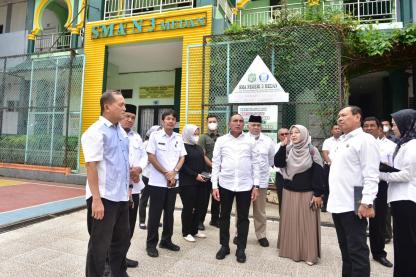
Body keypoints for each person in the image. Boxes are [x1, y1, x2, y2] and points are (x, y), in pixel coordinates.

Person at [82, 90, 131, 277]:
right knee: (99, 245)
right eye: (121, 104)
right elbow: (91, 166)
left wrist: (127, 190)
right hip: (103, 198)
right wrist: (96, 199)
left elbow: (122, 164)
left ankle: (118, 273)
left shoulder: (120, 131)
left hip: (120, 196)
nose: (124, 108)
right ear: (107, 106)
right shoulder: (95, 132)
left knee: (122, 240)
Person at [327, 106, 379, 277]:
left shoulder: (365, 140)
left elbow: (371, 174)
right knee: (346, 251)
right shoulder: (342, 140)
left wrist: (366, 202)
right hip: (338, 203)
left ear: (357, 117)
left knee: (357, 251)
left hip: (354, 204)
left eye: (344, 115)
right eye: (338, 116)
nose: (339, 119)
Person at [211, 113, 260, 263]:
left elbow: (255, 164)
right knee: (224, 216)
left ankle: (241, 248)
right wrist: (214, 185)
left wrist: (256, 186)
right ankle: (224, 246)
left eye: (240, 121)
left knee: (243, 218)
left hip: (245, 185)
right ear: (229, 123)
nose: (238, 123)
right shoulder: (221, 140)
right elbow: (216, 163)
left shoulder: (250, 141)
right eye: (235, 121)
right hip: (225, 184)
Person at [274, 124, 324, 266]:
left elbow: (319, 174)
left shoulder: (312, 151)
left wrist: (318, 194)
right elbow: (278, 163)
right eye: (292, 132)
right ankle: (289, 250)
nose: (294, 135)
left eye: (297, 132)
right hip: (289, 192)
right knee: (290, 222)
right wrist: (283, 146)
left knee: (306, 225)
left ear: (304, 134)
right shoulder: (288, 149)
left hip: (307, 194)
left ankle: (309, 254)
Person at [379, 109, 416, 277]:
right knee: (401, 242)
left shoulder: (413, 146)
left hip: (407, 200)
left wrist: (381, 174)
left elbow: (407, 174)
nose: (392, 128)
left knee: (407, 242)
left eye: (394, 125)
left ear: (405, 124)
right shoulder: (405, 143)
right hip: (399, 199)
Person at [145, 109, 187, 258]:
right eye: (168, 118)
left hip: (173, 182)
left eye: (173, 119)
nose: (171, 121)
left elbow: (182, 157)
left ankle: (166, 240)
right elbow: (151, 156)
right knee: (155, 215)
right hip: (157, 182)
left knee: (169, 214)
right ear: (163, 121)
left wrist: (174, 172)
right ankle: (151, 244)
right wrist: (166, 173)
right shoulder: (155, 136)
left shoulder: (178, 137)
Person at [362, 116, 394, 268]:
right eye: (366, 126)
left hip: (380, 186)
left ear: (379, 128)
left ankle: (379, 253)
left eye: (372, 126)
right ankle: (360, 253)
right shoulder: (358, 143)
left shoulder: (390, 146)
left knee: (379, 222)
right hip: (359, 186)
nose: (368, 128)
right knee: (359, 220)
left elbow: (393, 167)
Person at [120, 104, 148, 268]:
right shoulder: (113, 134)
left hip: (134, 188)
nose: (130, 120)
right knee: (115, 227)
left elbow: (143, 157)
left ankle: (122, 256)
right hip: (117, 190)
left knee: (129, 226)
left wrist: (138, 168)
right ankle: (109, 260)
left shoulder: (136, 137)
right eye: (127, 116)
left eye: (132, 117)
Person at [246, 115, 275, 247]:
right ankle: (239, 234)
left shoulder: (268, 141)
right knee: (242, 210)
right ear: (248, 126)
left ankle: (261, 235)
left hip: (261, 182)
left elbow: (271, 160)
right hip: (244, 181)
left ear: (261, 127)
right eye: (253, 125)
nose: (256, 127)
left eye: (258, 125)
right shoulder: (242, 139)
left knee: (260, 211)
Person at [179, 124, 208, 242]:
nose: (196, 136)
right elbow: (182, 166)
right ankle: (186, 232)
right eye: (194, 134)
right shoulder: (182, 147)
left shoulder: (198, 147)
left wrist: (206, 174)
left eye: (197, 134)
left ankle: (194, 230)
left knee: (199, 206)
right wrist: (195, 175)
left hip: (201, 182)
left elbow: (203, 162)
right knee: (189, 207)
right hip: (188, 182)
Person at [198, 114, 221, 229]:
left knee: (217, 197)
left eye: (214, 121)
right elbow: (202, 154)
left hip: (219, 172)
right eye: (210, 121)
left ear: (217, 123)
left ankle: (215, 220)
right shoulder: (203, 137)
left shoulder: (222, 137)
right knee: (203, 197)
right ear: (207, 123)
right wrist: (213, 165)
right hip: (206, 170)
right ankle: (200, 221)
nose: (212, 123)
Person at [138, 125, 162, 230]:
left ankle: (154, 220)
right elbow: (144, 158)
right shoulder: (146, 143)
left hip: (157, 176)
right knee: (144, 199)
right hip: (147, 175)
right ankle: (142, 221)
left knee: (156, 200)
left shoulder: (159, 143)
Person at [321, 124, 342, 212]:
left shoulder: (344, 140)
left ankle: (339, 205)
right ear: (332, 131)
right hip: (329, 167)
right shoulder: (327, 141)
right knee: (327, 186)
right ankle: (325, 205)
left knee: (339, 186)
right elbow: (325, 153)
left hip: (341, 168)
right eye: (335, 128)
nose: (337, 130)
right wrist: (330, 163)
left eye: (339, 128)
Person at [274, 127, 289, 214]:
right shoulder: (276, 146)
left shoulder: (296, 145)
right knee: (282, 200)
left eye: (286, 134)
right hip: (281, 176)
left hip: (293, 177)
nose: (284, 136)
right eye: (282, 134)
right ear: (279, 137)